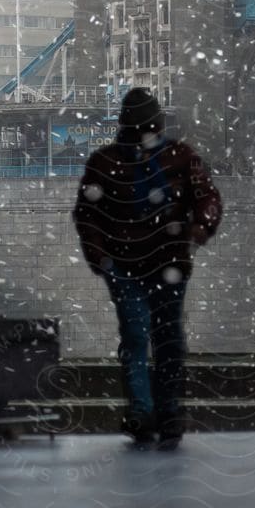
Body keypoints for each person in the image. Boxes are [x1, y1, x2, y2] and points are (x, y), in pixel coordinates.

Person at [72, 87, 222, 448]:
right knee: (163, 339)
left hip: (135, 262)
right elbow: (208, 198)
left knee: (140, 337)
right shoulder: (179, 156)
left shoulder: (106, 161)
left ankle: (148, 411)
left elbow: (87, 213)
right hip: (150, 263)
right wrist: (197, 232)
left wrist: (101, 256)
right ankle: (160, 411)